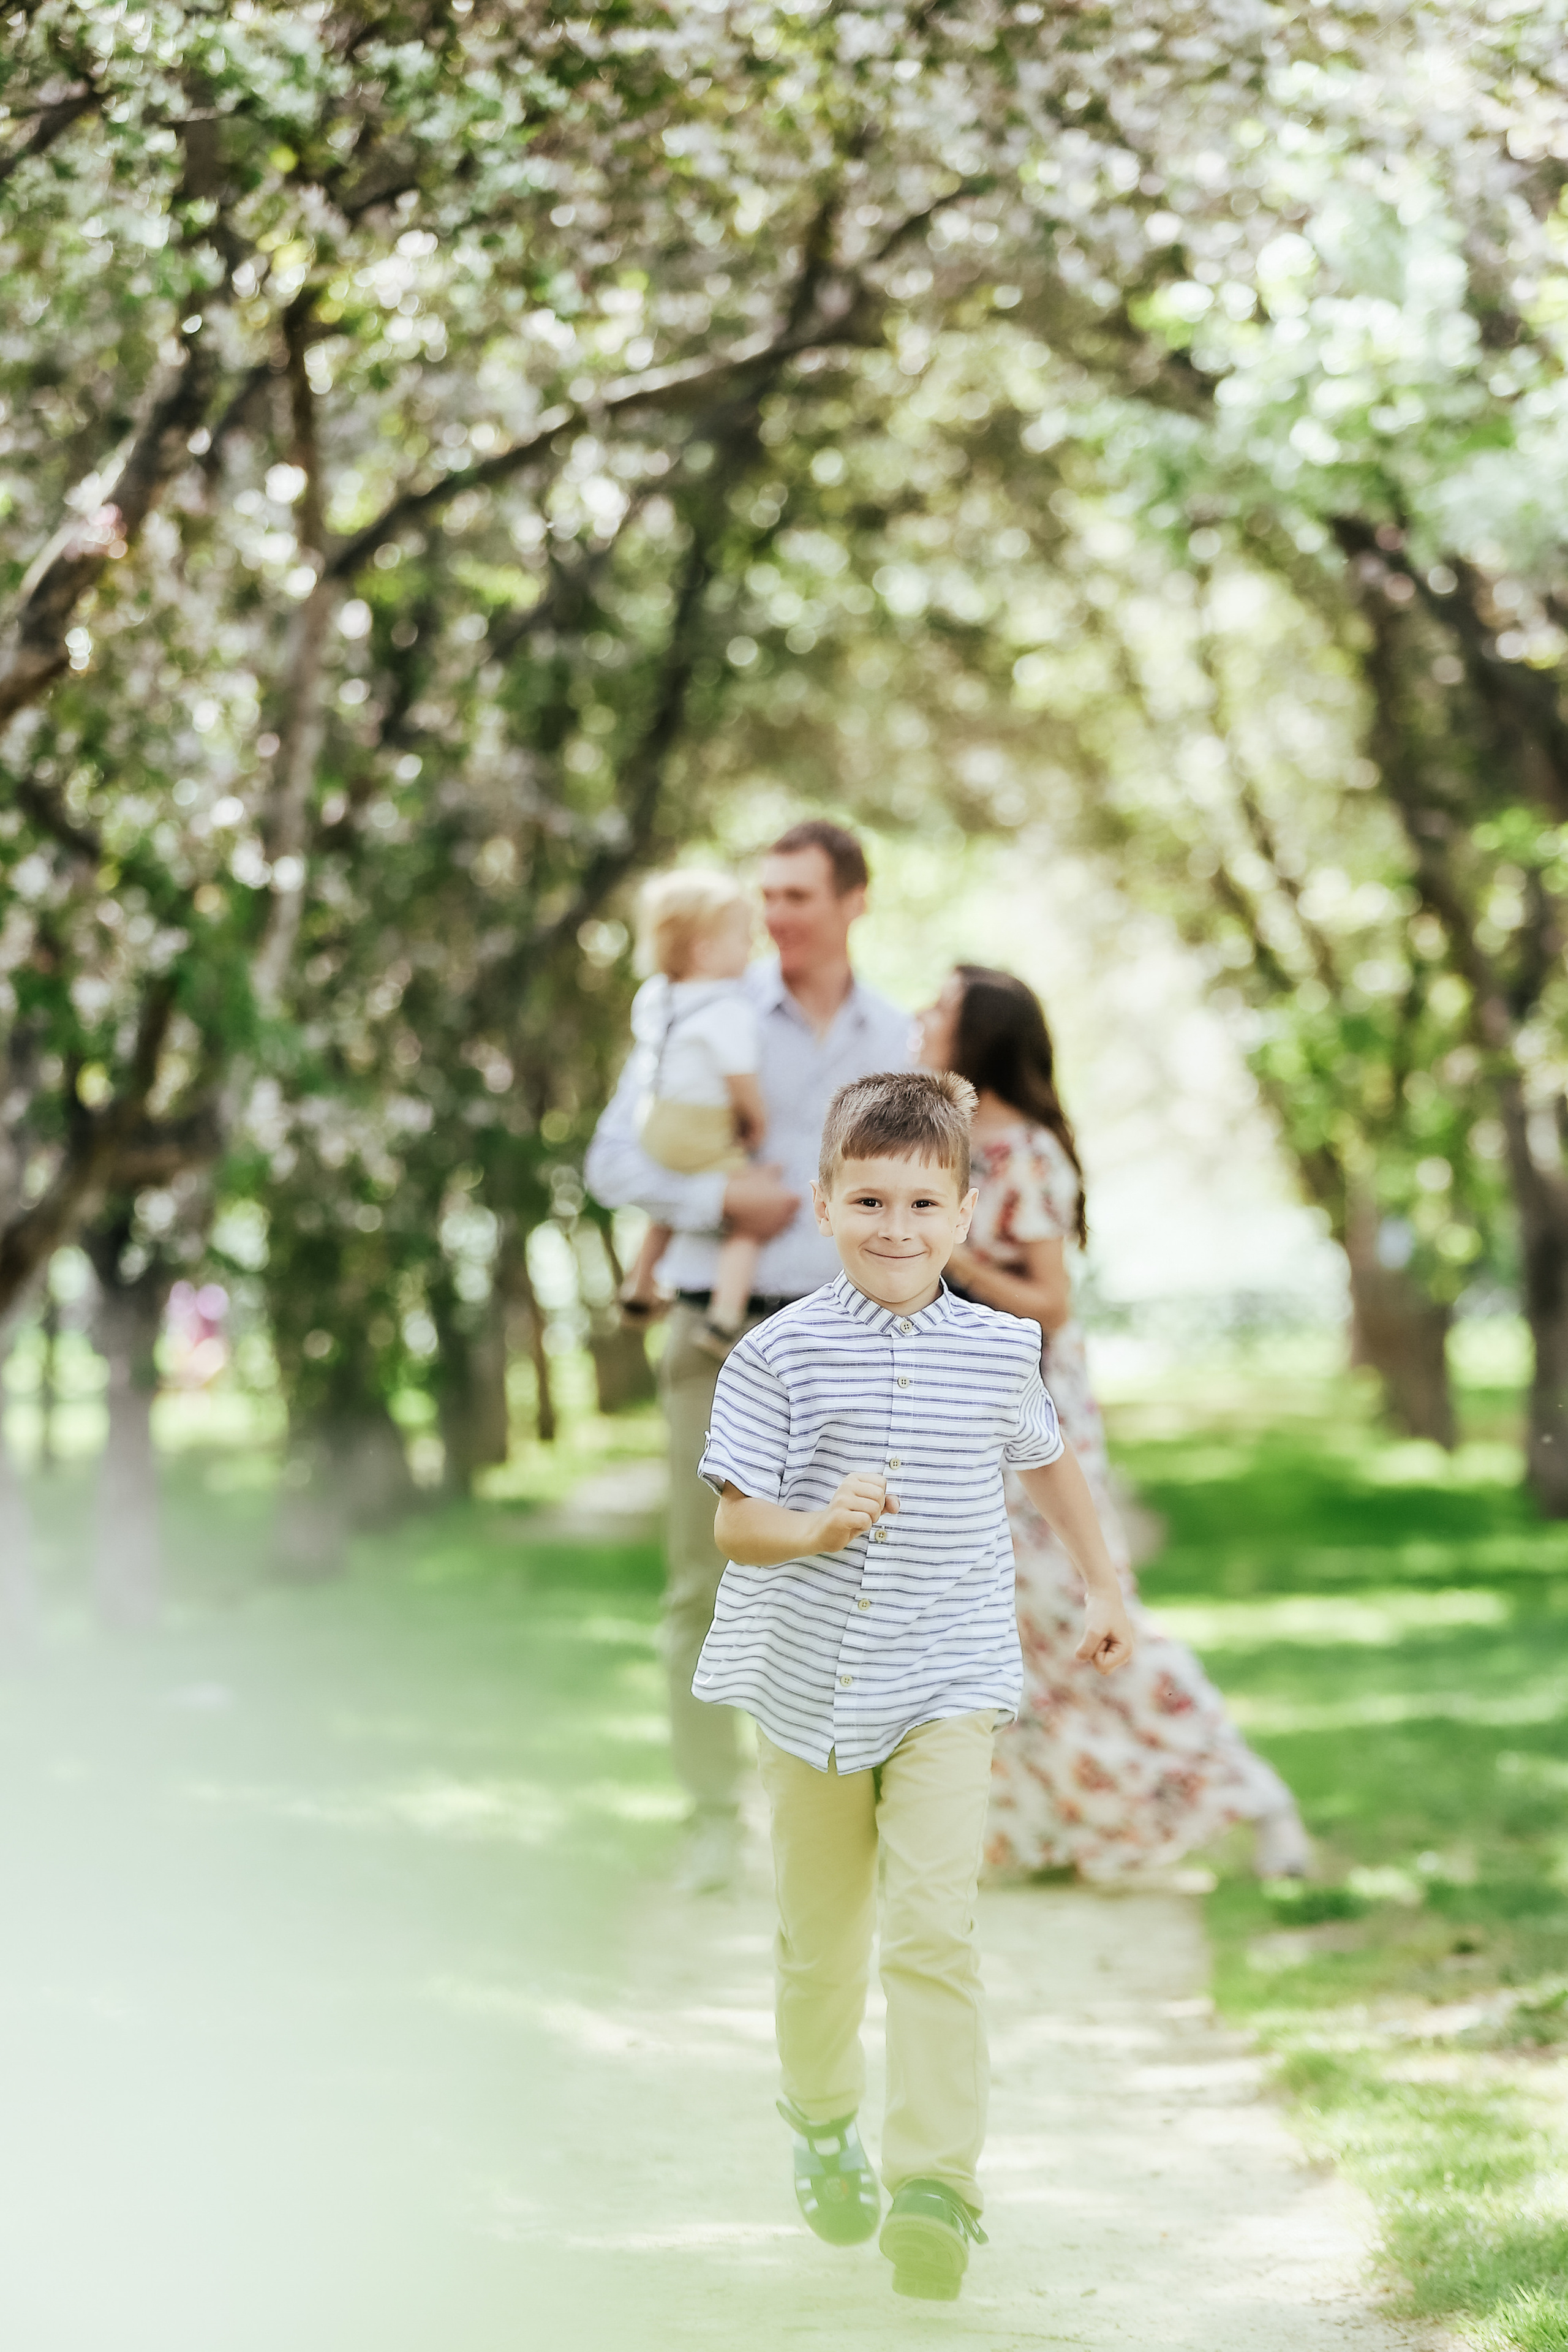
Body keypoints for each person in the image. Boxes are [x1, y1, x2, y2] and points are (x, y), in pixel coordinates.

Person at [696, 1070, 1134, 2302]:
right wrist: (816, 1527)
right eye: (870, 1200)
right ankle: (822, 2117)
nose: (896, 1229)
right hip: (810, 1690)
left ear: (963, 1213)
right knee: (818, 1946)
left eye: (922, 1204)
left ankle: (936, 2184)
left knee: (934, 1926)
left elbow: (1048, 1469)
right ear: (823, 1204)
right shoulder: (775, 1353)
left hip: (949, 1675)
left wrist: (1104, 1590)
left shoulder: (1001, 1347)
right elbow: (735, 1527)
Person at [917, 963, 1312, 1882]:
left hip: (1034, 1425)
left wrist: (955, 1256)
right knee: (1000, 1634)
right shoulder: (949, 1142)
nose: (922, 1020)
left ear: (981, 1034)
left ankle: (1255, 1798)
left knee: (1089, 1615)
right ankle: (1045, 1834)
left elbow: (1050, 1302)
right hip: (963, 1421)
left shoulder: (1028, 1157)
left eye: (941, 1010)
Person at [584, 821, 910, 1893]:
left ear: (853, 901)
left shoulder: (894, 1034)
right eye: (764, 896)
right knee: (703, 1580)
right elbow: (615, 1160)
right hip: (721, 1340)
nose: (774, 917)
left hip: (854, 1343)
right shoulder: (708, 1009)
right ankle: (713, 1823)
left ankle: (848, 1812)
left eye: (798, 898)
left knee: (863, 1574)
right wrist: (728, 1198)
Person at [618, 870, 767, 1360]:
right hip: (696, 1125)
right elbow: (740, 1079)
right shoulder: (727, 1008)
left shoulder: (657, 995)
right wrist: (756, 1122)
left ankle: (639, 1286)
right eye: (744, 938)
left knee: (671, 1204)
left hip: (654, 1120)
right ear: (705, 950)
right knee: (751, 1213)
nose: (752, 947)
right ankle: (725, 1320)